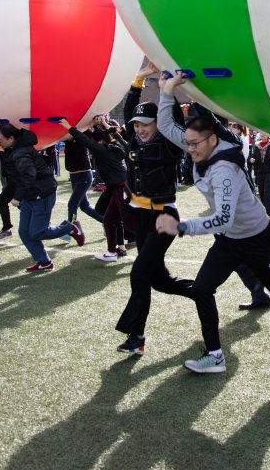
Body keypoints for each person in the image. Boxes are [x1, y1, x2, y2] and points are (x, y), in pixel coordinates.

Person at [155, 71, 270, 376]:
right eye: (188, 144)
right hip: (229, 242)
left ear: (212, 139)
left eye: (195, 144)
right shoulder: (200, 146)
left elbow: (223, 217)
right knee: (201, 288)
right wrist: (167, 92)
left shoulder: (224, 168)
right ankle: (215, 355)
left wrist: (182, 227)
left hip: (259, 238)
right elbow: (167, 126)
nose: (190, 149)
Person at [111, 63, 197, 356]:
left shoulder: (170, 144)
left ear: (157, 124)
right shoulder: (134, 139)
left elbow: (169, 116)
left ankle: (136, 336)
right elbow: (128, 112)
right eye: (136, 125)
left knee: (138, 275)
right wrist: (138, 79)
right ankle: (201, 291)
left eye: (145, 124)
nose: (139, 129)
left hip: (164, 218)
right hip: (142, 216)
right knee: (159, 280)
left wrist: (165, 90)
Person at [0, 124, 82, 271]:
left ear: (11, 138)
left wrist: (17, 197)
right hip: (31, 194)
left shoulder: (20, 152)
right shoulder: (13, 148)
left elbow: (29, 175)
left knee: (37, 232)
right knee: (24, 232)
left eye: (0, 139)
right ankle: (44, 262)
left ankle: (70, 228)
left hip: (42, 193)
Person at [60, 117, 130, 260]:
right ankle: (118, 249)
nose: (93, 143)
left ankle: (142, 248)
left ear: (100, 141)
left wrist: (69, 126)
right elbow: (102, 138)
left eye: (95, 140)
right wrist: (99, 124)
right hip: (115, 187)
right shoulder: (114, 145)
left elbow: (85, 141)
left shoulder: (103, 149)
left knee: (127, 222)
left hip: (120, 188)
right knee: (110, 219)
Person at [249, 137, 270, 215]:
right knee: (261, 191)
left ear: (267, 136)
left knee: (267, 192)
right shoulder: (257, 145)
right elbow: (252, 156)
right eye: (261, 134)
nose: (263, 136)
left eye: (264, 134)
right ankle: (263, 209)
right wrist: (252, 159)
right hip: (259, 171)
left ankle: (268, 211)